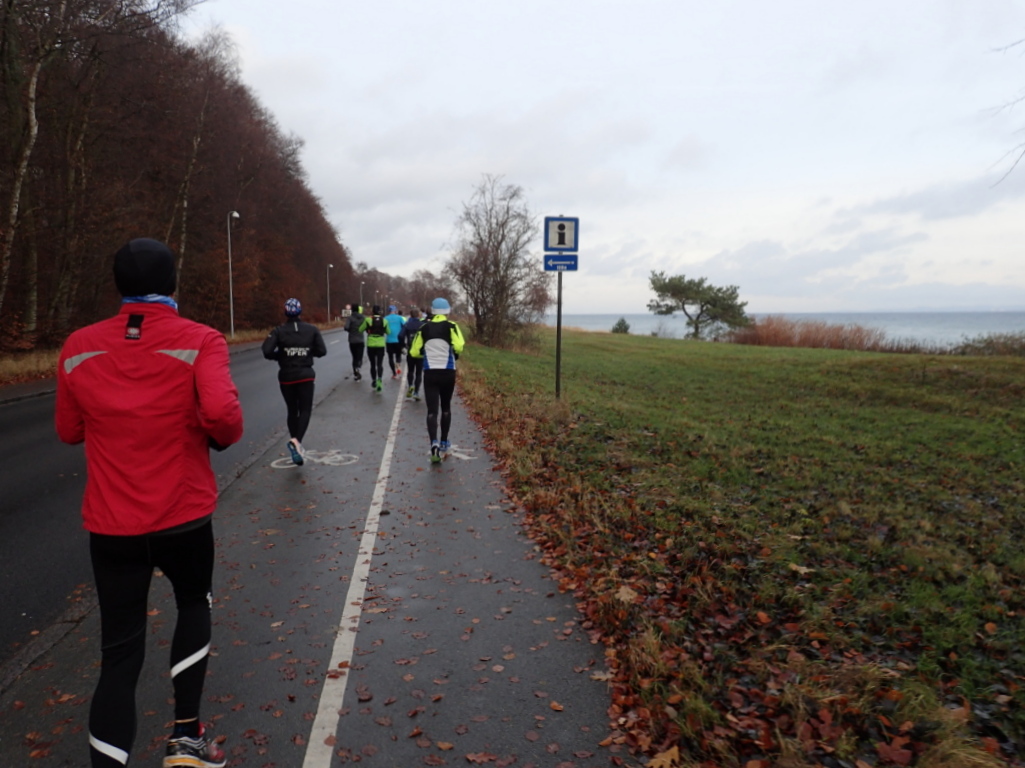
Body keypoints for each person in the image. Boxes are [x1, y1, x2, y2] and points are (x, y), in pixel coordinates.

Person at [56, 238, 243, 768]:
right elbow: (225, 420)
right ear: (172, 285)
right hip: (183, 515)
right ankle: (187, 739)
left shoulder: (77, 346)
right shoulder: (200, 340)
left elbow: (69, 430)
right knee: (192, 604)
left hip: (112, 524)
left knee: (118, 653)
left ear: (118, 286)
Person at [261, 298, 327, 465]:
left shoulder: (279, 330)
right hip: (305, 374)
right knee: (305, 409)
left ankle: (295, 444)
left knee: (292, 411)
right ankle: (297, 442)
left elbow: (267, 351)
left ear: (285, 312)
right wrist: (308, 353)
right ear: (300, 311)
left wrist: (281, 355)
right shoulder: (311, 330)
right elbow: (322, 351)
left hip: (287, 375)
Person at [408, 297, 465, 463]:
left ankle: (433, 443)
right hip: (448, 372)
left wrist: (424, 355)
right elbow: (460, 346)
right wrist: (453, 352)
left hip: (430, 373)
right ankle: (444, 441)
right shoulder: (452, 326)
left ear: (432, 311)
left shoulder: (424, 327)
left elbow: (414, 352)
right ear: (447, 311)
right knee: (446, 407)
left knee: (432, 411)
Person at [399, 307, 426, 400]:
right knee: (419, 373)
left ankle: (410, 385)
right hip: (420, 352)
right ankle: (416, 392)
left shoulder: (407, 325)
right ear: (419, 315)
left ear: (410, 315)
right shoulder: (423, 325)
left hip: (410, 351)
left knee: (410, 370)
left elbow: (400, 335)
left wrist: (403, 346)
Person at [359, 305, 388, 392]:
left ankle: (374, 381)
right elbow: (388, 332)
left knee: (372, 364)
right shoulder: (384, 321)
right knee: (379, 364)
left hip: (371, 344)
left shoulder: (368, 320)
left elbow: (360, 330)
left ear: (372, 311)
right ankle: (379, 379)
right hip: (380, 344)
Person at [343, 302, 366, 380]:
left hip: (352, 340)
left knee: (354, 357)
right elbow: (366, 327)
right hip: (360, 340)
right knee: (360, 356)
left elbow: (346, 327)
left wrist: (351, 330)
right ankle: (358, 367)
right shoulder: (363, 318)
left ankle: (356, 373)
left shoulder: (350, 318)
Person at [383, 304, 406, 379]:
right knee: (398, 355)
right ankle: (398, 365)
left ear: (388, 311)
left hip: (389, 340)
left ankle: (394, 373)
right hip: (398, 340)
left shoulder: (385, 318)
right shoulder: (399, 318)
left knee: (390, 357)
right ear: (395, 311)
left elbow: (383, 328)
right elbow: (405, 326)